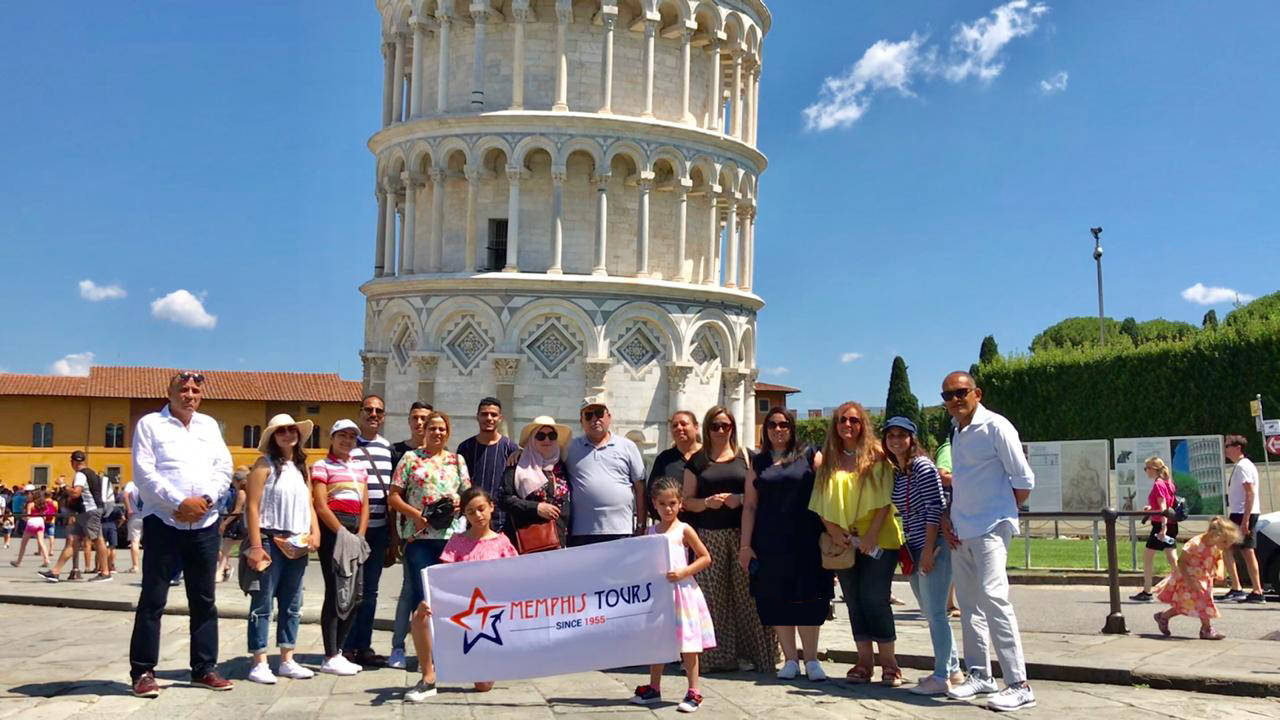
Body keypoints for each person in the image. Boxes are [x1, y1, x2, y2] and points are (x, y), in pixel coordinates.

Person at [126, 371, 235, 697]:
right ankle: (143, 671)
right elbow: (144, 472)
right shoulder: (150, 425)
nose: (190, 395)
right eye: (183, 389)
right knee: (153, 599)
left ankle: (204, 668)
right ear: (170, 393)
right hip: (164, 521)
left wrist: (205, 501)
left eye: (195, 390)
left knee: (204, 599)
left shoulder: (209, 426)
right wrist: (179, 502)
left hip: (204, 522)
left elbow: (224, 468)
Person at [939, 371, 1035, 712]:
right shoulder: (957, 431)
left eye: (961, 392)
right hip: (962, 528)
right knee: (968, 605)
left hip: (991, 527)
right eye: (948, 395)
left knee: (995, 599)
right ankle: (980, 674)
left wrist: (1000, 510)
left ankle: (1019, 684)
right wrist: (951, 515)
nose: (955, 400)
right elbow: (965, 481)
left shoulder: (996, 426)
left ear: (976, 393)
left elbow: (1023, 480)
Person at [809, 402, 903, 686]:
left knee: (875, 598)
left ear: (863, 424)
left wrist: (872, 534)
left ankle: (890, 663)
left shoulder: (877, 455)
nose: (847, 425)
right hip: (844, 541)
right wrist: (833, 530)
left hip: (879, 538)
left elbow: (885, 500)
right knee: (853, 600)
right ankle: (864, 662)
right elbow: (819, 500)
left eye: (853, 420)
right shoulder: (829, 459)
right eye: (842, 420)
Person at [679, 405, 775, 674]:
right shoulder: (697, 461)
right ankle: (715, 658)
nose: (721, 430)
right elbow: (686, 501)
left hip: (744, 534)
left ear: (733, 427)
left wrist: (739, 499)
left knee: (748, 597)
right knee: (713, 598)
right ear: (707, 428)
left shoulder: (747, 457)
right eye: (715, 426)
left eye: (726, 425)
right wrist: (706, 503)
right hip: (710, 536)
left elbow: (761, 494)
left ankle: (755, 656)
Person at [740, 407, 830, 682]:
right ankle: (790, 659)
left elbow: (827, 489)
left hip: (805, 538)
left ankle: (811, 659)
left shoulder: (809, 454)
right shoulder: (757, 462)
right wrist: (745, 545)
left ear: (792, 427)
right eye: (772, 424)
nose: (778, 429)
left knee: (808, 597)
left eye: (783, 424)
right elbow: (750, 506)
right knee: (776, 598)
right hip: (769, 541)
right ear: (765, 429)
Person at [405, 487, 517, 702]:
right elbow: (443, 579)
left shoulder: (503, 543)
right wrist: (430, 601)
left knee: (483, 685)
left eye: (481, 509)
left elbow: (514, 582)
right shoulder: (457, 542)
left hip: (490, 615)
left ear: (492, 507)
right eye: (471, 511)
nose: (478, 515)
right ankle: (428, 676)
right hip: (460, 609)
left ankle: (482, 660)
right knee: (420, 614)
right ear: (464, 514)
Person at [883, 416, 962, 695]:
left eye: (901, 435)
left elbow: (934, 508)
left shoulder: (922, 466)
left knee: (937, 613)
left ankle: (941, 676)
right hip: (915, 545)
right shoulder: (900, 471)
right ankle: (952, 669)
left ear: (912, 438)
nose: (896, 440)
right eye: (891, 435)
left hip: (932, 545)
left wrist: (928, 551)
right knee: (930, 611)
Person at [388, 411, 469, 671]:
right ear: (425, 431)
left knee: (446, 597)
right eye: (432, 428)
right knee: (421, 596)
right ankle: (413, 651)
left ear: (448, 432)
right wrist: (416, 515)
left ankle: (440, 651)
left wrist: (459, 504)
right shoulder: (410, 458)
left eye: (442, 429)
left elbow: (468, 495)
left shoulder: (457, 461)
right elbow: (394, 496)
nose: (437, 433)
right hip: (419, 536)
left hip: (450, 538)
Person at [244, 414, 321, 684]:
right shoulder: (263, 465)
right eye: (281, 431)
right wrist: (256, 545)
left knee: (292, 603)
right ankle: (259, 661)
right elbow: (252, 506)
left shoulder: (302, 468)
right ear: (273, 437)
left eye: (292, 430)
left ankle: (287, 658)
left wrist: (315, 531)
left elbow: (309, 503)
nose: (288, 435)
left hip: (297, 542)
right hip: (269, 539)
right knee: (262, 602)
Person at [630, 476, 716, 713]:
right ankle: (654, 687)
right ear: (654, 504)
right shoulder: (650, 532)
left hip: (683, 593)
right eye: (663, 504)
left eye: (672, 504)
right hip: (660, 595)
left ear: (680, 504)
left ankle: (694, 690)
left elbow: (705, 557)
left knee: (688, 642)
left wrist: (684, 572)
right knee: (657, 641)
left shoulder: (684, 529)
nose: (668, 509)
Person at [343, 394, 398, 669]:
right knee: (347, 589)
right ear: (360, 412)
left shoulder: (388, 449)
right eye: (369, 410)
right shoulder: (348, 445)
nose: (373, 414)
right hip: (351, 530)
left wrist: (392, 537)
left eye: (379, 411)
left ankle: (363, 647)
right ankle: (343, 647)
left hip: (378, 530)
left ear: (383, 416)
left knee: (370, 592)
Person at [311, 419, 371, 674]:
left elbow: (365, 504)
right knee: (336, 592)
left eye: (351, 436)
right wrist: (342, 532)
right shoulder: (322, 465)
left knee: (357, 595)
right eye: (342, 435)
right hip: (335, 528)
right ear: (332, 437)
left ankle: (339, 650)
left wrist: (360, 534)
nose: (347, 441)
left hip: (355, 530)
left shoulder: (360, 467)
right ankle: (330, 654)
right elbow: (321, 504)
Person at [566, 399, 645, 546]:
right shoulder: (570, 448)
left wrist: (641, 525)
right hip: (582, 532)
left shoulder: (628, 446)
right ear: (581, 421)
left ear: (609, 417)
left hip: (621, 529)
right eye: (588, 415)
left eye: (599, 413)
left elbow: (640, 487)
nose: (594, 419)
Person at [1153, 517, 1244, 640]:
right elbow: (1181, 562)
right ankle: (1206, 629)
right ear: (1215, 535)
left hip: (1204, 579)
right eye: (1225, 542)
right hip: (1189, 578)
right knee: (1203, 601)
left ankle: (1163, 617)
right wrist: (1189, 581)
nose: (1226, 546)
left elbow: (1219, 558)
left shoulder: (1216, 546)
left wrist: (1220, 571)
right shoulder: (1195, 544)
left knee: (1188, 603)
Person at [498, 416, 573, 550]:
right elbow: (504, 499)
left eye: (552, 436)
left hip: (561, 540)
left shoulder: (563, 464)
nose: (547, 440)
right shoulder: (518, 465)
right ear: (532, 440)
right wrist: (536, 508)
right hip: (529, 543)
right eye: (540, 436)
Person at [38, 451, 113, 583]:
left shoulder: (80, 474)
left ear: (72, 462)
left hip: (89, 511)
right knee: (73, 541)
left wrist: (62, 484)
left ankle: (105, 572)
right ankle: (55, 572)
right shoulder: (91, 473)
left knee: (98, 539)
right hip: (87, 511)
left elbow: (76, 493)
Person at [457, 397, 520, 533]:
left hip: (503, 521)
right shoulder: (465, 448)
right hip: (472, 519)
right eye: (484, 414)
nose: (489, 418)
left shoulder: (510, 448)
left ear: (500, 418)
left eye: (493, 414)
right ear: (477, 417)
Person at [1219, 435, 1265, 604]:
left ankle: (1251, 590)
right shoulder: (1243, 465)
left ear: (1238, 447)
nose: (1225, 450)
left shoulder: (1243, 466)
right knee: (1236, 549)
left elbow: (1250, 492)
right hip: (1241, 513)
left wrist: (1245, 520)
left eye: (1227, 446)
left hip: (1242, 514)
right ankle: (1243, 588)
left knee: (1241, 550)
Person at [1131, 457, 1180, 602]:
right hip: (1172, 524)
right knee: (1172, 558)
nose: (1145, 471)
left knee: (1148, 557)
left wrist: (1163, 529)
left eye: (1146, 468)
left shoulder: (1158, 484)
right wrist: (1152, 508)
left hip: (1160, 525)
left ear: (1153, 469)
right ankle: (1184, 586)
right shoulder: (1168, 483)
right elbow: (1166, 505)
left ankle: (1147, 591)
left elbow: (1163, 508)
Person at [649, 411, 702, 494]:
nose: (679, 428)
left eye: (684, 424)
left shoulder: (709, 455)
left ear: (696, 427)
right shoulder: (664, 459)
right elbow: (653, 492)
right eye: (675, 425)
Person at [217, 468, 248, 582]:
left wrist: (225, 523)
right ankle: (224, 569)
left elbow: (237, 511)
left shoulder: (240, 493)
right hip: (240, 524)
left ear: (236, 481)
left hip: (236, 524)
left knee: (225, 550)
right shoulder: (244, 492)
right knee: (231, 549)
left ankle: (220, 572)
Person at [10, 488, 53, 567]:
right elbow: (44, 515)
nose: (28, 495)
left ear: (33, 496)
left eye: (30, 494)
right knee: (41, 542)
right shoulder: (41, 504)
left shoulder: (31, 504)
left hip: (32, 522)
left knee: (23, 544)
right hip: (40, 522)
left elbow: (28, 516)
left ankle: (18, 562)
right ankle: (46, 560)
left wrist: (23, 518)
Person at [391, 402, 433, 471]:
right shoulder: (394, 451)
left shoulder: (440, 451)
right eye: (415, 418)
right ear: (409, 421)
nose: (419, 422)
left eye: (423, 418)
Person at [123, 477, 144, 573]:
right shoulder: (146, 483)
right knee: (151, 542)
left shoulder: (131, 484)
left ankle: (135, 566)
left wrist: (129, 509)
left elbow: (125, 495)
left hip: (135, 515)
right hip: (148, 514)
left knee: (135, 541)